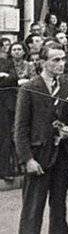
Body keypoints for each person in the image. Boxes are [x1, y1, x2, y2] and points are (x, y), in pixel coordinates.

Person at [15, 40, 68, 234]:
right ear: (43, 62)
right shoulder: (29, 88)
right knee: (33, 209)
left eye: (63, 59)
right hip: (38, 156)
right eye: (55, 60)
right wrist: (27, 159)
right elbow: (20, 128)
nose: (61, 64)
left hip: (62, 155)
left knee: (59, 207)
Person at [0, 45, 17, 179]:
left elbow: (13, 78)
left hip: (4, 105)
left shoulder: (6, 62)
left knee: (5, 137)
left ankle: (5, 171)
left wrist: (4, 78)